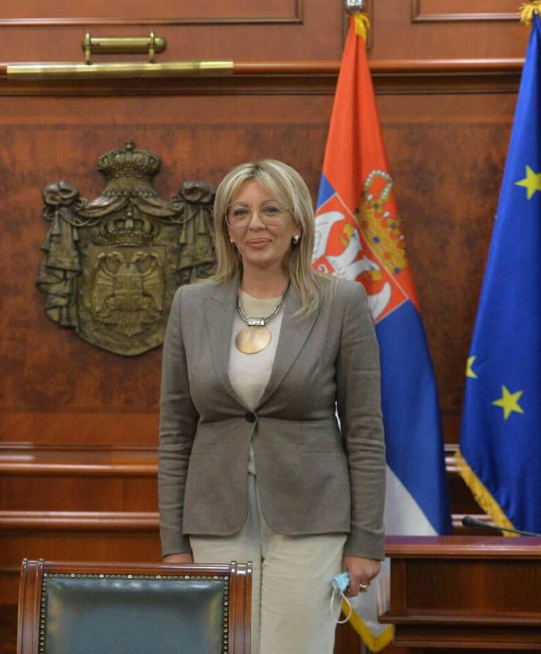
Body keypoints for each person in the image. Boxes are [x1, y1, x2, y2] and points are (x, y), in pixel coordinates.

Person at [158, 160, 384, 653]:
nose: (255, 224)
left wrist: (366, 541)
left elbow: (364, 430)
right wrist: (174, 542)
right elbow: (175, 432)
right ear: (228, 230)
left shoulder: (340, 302)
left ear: (298, 224)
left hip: (311, 519)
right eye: (240, 213)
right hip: (215, 518)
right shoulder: (191, 305)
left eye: (270, 210)